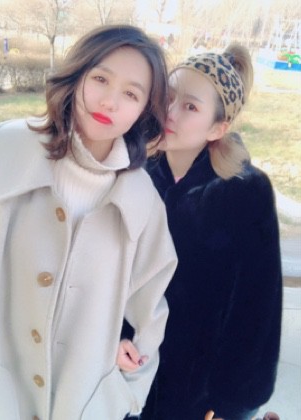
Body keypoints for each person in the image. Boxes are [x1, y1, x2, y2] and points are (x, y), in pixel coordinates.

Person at [0, 24, 178, 420]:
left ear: (144, 109)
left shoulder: (142, 200)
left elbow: (150, 310)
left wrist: (124, 390)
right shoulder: (3, 148)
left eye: (131, 94)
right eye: (101, 79)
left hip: (82, 404)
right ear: (77, 76)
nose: (110, 101)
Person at [117, 44, 283, 420]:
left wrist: (232, 405)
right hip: (130, 371)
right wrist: (114, 339)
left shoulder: (245, 193)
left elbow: (257, 308)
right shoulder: (133, 171)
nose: (170, 112)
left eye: (190, 107)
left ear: (217, 128)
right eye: (168, 97)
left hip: (199, 393)